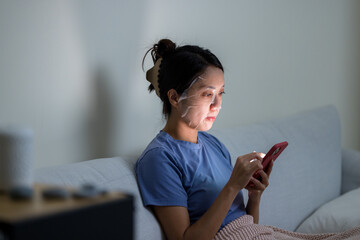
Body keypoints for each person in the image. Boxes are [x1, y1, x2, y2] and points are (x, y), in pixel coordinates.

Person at [135, 39, 360, 240]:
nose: (217, 105)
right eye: (207, 94)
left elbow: (245, 225)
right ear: (174, 97)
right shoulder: (160, 159)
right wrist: (233, 185)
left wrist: (254, 195)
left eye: (221, 93)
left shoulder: (213, 145)